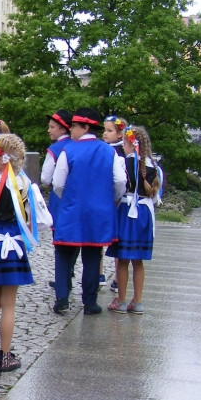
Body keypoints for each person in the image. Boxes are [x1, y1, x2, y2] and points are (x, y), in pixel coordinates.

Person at [0, 134, 51, 373]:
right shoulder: (24, 184)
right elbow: (42, 221)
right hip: (15, 243)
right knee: (8, 304)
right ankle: (5, 355)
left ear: (0, 155)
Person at [51, 108, 126, 316]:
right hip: (98, 212)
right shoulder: (109, 151)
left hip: (72, 210)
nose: (71, 130)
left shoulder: (68, 150)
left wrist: (68, 197)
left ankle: (62, 298)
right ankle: (90, 302)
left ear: (85, 127)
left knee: (64, 254)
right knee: (93, 255)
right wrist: (110, 198)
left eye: (74, 126)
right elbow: (120, 181)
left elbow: (58, 183)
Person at [106, 126, 160, 314]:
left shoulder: (124, 163)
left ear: (131, 143)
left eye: (124, 143)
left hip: (127, 211)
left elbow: (120, 186)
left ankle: (121, 300)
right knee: (138, 260)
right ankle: (137, 301)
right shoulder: (154, 167)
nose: (123, 146)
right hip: (145, 213)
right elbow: (156, 196)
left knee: (122, 259)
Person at [40, 109, 73, 290]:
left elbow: (46, 177)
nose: (49, 130)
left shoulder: (55, 149)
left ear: (62, 129)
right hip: (77, 199)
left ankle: (63, 278)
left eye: (52, 127)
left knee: (60, 241)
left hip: (60, 199)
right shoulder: (76, 145)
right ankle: (69, 273)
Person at [102, 115, 128, 290]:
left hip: (115, 199)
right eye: (104, 130)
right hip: (107, 198)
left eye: (109, 131)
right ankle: (100, 273)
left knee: (118, 240)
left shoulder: (121, 153)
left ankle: (118, 278)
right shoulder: (104, 149)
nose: (105, 133)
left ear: (120, 134)